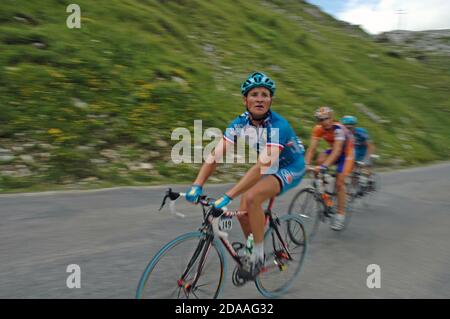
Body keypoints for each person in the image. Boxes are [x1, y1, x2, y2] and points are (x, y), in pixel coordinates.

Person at [185, 72, 306, 280]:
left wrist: (227, 196)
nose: (260, 98)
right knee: (243, 210)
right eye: (255, 94)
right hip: (270, 165)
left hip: (291, 166)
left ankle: (257, 257)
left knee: (251, 197)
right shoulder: (239, 123)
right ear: (245, 100)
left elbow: (261, 166)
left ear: (270, 100)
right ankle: (253, 248)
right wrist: (197, 184)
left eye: (265, 95)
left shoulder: (279, 126)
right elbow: (216, 155)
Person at [304, 106, 354, 231]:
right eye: (320, 119)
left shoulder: (339, 129)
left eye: (326, 118)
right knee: (320, 158)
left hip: (347, 153)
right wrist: (305, 164)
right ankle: (325, 196)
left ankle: (340, 215)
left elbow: (337, 152)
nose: (323, 122)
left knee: (339, 182)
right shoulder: (318, 129)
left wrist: (324, 167)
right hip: (334, 151)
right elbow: (312, 149)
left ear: (331, 118)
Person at [341, 115, 375, 189]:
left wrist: (366, 159)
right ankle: (354, 189)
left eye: (350, 127)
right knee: (353, 170)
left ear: (354, 126)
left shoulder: (361, 132)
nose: (348, 128)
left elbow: (370, 146)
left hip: (364, 149)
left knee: (365, 167)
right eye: (345, 126)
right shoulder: (343, 134)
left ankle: (370, 180)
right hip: (355, 150)